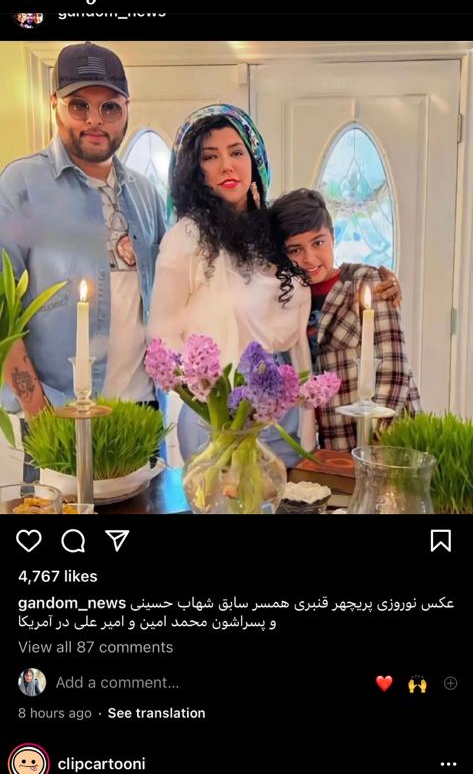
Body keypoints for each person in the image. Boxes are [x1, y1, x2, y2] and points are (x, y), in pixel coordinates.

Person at [149, 104, 400, 466]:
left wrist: (371, 279)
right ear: (195, 171)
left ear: (253, 160)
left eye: (237, 152)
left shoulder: (270, 231)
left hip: (284, 417)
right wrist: (208, 395)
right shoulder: (186, 239)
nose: (227, 165)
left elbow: (313, 267)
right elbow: (162, 335)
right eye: (210, 156)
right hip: (218, 422)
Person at [0, 42, 165, 421]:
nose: (95, 120)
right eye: (79, 105)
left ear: (127, 109)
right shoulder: (22, 184)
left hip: (143, 407)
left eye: (110, 107)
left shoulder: (146, 193)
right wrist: (39, 410)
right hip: (60, 410)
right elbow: (1, 309)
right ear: (54, 103)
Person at [269, 188, 420, 451]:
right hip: (330, 443)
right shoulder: (285, 299)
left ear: (333, 237)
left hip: (383, 442)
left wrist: (373, 444)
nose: (309, 258)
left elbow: (394, 371)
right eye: (295, 250)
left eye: (318, 243)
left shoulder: (366, 282)